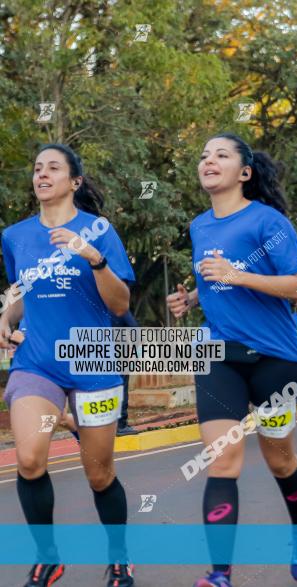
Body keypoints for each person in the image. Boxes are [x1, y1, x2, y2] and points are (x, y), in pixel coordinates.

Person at [166, 133, 297, 586]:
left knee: (280, 461)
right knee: (223, 459)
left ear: (244, 172)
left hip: (276, 358)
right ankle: (219, 575)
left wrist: (238, 274)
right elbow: (217, 282)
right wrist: (191, 298)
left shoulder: (267, 222)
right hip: (218, 356)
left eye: (221, 155)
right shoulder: (199, 226)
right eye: (204, 155)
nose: (209, 160)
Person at [0, 144, 136, 586]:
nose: (42, 174)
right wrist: (5, 314)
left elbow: (120, 304)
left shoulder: (99, 230)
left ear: (74, 181)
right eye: (37, 168)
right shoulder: (16, 236)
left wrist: (91, 256)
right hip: (37, 362)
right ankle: (48, 556)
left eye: (53, 168)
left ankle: (119, 556)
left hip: (92, 360)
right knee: (30, 459)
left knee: (99, 474)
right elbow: (22, 291)